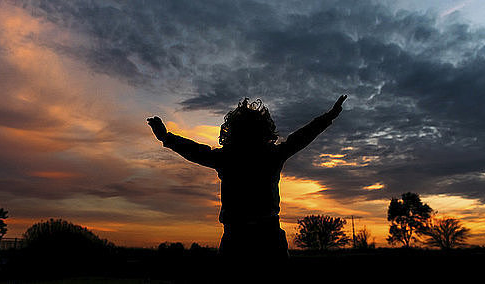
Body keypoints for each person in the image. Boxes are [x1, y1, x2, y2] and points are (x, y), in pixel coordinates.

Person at [147, 95, 347, 262]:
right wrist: (166, 137)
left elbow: (196, 151)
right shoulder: (262, 155)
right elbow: (300, 137)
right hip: (253, 239)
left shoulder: (233, 157)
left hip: (251, 239)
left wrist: (167, 137)